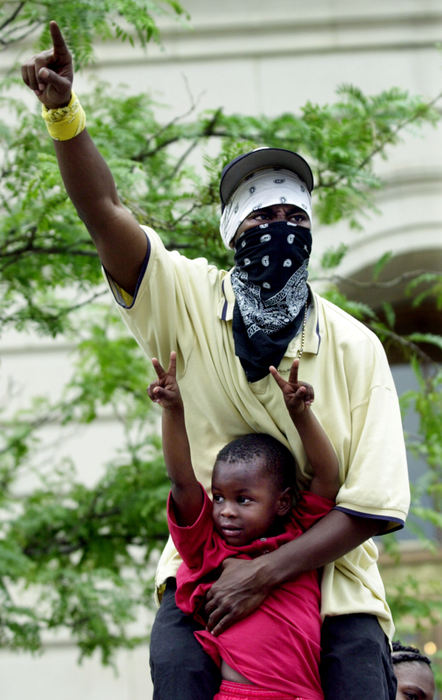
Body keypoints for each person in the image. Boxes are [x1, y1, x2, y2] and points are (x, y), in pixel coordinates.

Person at [21, 21, 410, 700]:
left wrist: (262, 576)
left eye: (293, 217)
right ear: (231, 231)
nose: (278, 231)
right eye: (260, 220)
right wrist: (64, 113)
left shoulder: (354, 346)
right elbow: (104, 210)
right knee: (177, 674)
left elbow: (373, 506)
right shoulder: (185, 300)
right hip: (203, 575)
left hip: (333, 592)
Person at [148, 352, 340, 699]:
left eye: (244, 499)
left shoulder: (299, 534)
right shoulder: (207, 546)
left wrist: (301, 414)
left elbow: (328, 476)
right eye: (219, 497)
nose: (226, 512)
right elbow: (182, 482)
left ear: (282, 501)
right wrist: (173, 410)